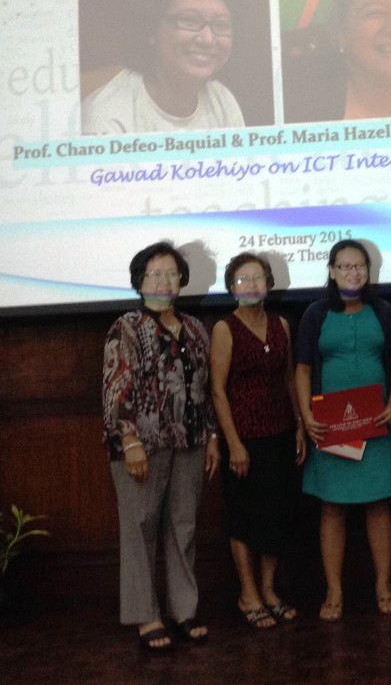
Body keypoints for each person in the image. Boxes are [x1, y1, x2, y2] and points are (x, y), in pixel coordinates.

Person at [102, 241, 220, 652]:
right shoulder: (127, 327)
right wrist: (129, 440)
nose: (164, 280)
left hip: (189, 440)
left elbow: (203, 389)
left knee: (184, 527)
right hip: (142, 445)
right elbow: (116, 386)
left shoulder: (194, 329)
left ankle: (184, 609)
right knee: (140, 529)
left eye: (171, 273)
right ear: (139, 282)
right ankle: (146, 615)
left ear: (182, 280)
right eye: (154, 273)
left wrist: (212, 437)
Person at [295, 239, 391, 621]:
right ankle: (334, 591)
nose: (353, 272)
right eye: (345, 266)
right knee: (333, 507)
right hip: (331, 426)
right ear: (331, 271)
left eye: (359, 266)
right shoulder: (315, 313)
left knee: (379, 505)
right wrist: (306, 414)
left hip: (376, 424)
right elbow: (304, 369)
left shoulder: (384, 311)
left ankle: (383, 586)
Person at [210, 253, 306, 629]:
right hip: (245, 439)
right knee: (245, 518)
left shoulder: (282, 324)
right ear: (231, 286)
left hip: (281, 433)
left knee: (277, 516)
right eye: (242, 279)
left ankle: (269, 590)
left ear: (268, 283)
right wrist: (233, 443)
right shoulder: (225, 328)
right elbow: (217, 390)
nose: (251, 285)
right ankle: (247, 593)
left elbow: (287, 379)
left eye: (257, 278)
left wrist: (298, 424)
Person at [83, 0, 245, 133]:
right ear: (152, 30)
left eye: (221, 25)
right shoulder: (107, 117)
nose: (207, 40)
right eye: (189, 20)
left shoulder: (222, 100)